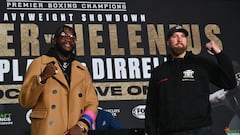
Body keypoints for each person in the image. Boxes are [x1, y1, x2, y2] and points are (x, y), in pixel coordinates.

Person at [145, 25, 237, 135]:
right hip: (170, 131)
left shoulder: (201, 64)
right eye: (175, 36)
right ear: (168, 42)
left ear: (186, 41)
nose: (179, 39)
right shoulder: (159, 72)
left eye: (183, 36)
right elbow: (151, 107)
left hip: (201, 130)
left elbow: (230, 83)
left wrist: (219, 53)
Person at [18, 25, 98, 135]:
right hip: (47, 131)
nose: (68, 39)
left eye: (72, 36)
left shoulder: (82, 70)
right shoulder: (39, 64)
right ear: (54, 40)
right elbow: (25, 101)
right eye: (64, 35)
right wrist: (42, 78)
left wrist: (82, 125)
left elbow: (92, 103)